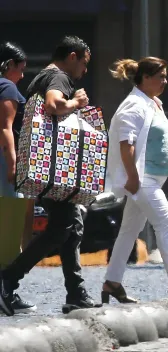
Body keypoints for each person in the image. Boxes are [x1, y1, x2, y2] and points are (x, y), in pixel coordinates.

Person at [0, 36, 100, 316]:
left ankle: (76, 293)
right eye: (83, 62)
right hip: (56, 167)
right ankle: (8, 278)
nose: (85, 70)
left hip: (46, 166)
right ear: (72, 56)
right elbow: (55, 105)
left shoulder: (42, 76)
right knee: (61, 228)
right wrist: (77, 101)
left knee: (71, 226)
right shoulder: (59, 78)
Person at [104, 57, 168, 303]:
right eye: (160, 77)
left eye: (165, 76)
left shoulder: (151, 102)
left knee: (129, 230)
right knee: (167, 222)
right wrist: (132, 177)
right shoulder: (133, 105)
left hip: (152, 177)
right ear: (145, 78)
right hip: (142, 178)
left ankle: (112, 282)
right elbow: (126, 144)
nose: (165, 81)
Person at [0, 41, 37, 313]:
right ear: (8, 65)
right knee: (10, 234)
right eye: (20, 69)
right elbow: (6, 129)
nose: (22, 76)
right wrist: (13, 166)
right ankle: (6, 293)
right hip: (5, 169)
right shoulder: (7, 87)